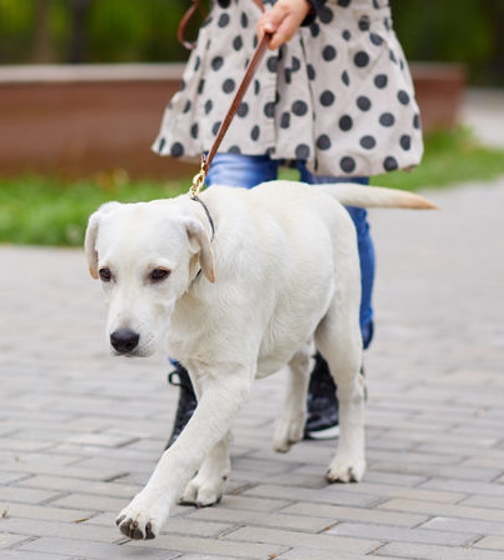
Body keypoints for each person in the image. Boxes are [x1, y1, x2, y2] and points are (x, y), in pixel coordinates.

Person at [153, 0, 424, 446]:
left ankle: (336, 369)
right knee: (217, 222)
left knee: (342, 222)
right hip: (243, 40)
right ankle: (195, 378)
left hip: (340, 49)